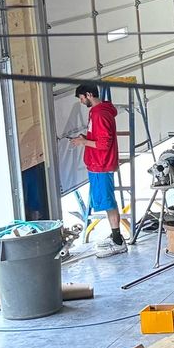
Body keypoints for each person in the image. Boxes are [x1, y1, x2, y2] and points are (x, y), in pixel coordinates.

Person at [68, 82, 125, 254]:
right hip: (97, 163)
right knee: (107, 201)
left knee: (108, 202)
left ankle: (118, 241)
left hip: (101, 164)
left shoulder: (100, 114)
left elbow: (104, 144)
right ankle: (115, 235)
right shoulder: (98, 111)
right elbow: (99, 137)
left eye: (81, 98)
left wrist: (83, 142)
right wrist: (86, 137)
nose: (81, 101)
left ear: (89, 95)